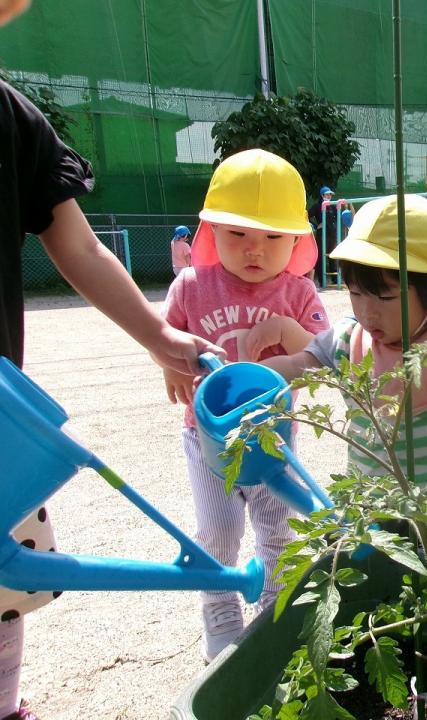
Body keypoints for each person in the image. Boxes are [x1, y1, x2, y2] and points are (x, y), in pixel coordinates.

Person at [0, 17, 222, 720]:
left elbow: (82, 248)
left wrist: (161, 336)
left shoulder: (12, 120)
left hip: (4, 420)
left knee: (7, 582)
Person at [263, 194, 427, 546]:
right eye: (355, 293)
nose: (368, 312)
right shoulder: (349, 338)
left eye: (385, 297)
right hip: (364, 503)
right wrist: (252, 377)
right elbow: (298, 365)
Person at [160, 149, 330, 662]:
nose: (254, 250)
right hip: (208, 440)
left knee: (279, 529)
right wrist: (168, 363)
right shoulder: (190, 286)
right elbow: (163, 333)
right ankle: (220, 609)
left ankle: (276, 610)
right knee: (218, 530)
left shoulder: (298, 292)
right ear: (211, 232)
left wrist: (289, 332)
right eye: (238, 235)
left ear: (298, 241)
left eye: (272, 237)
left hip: (277, 439)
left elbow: (328, 355)